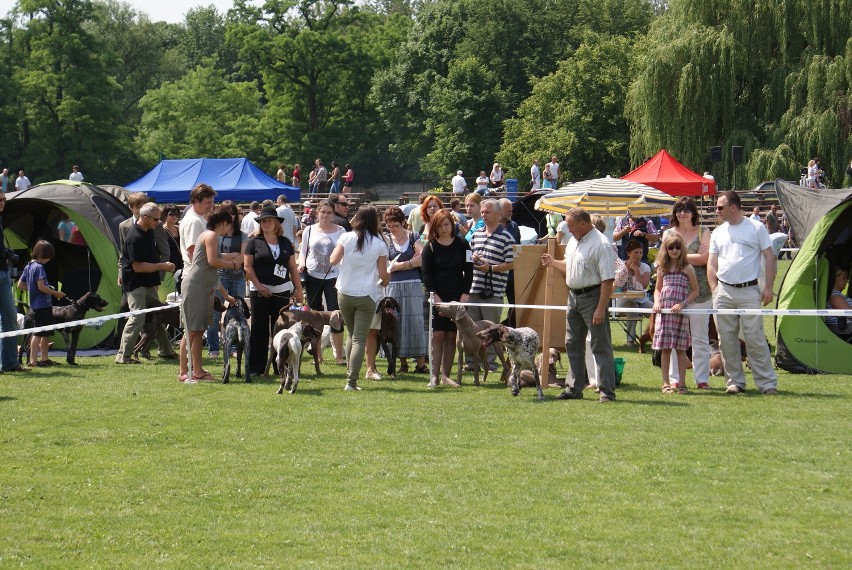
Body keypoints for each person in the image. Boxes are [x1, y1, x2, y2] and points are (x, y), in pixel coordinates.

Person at [541, 208, 617, 403]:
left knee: (600, 345)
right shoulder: (574, 241)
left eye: (571, 225)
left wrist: (601, 308)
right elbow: (570, 266)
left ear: (583, 224)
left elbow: (608, 280)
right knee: (572, 343)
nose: (568, 229)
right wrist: (553, 263)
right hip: (573, 296)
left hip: (593, 297)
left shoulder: (601, 244)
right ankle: (573, 388)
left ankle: (606, 391)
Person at [708, 191, 778, 395]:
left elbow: (770, 258)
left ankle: (767, 384)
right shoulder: (717, 232)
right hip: (724, 292)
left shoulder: (756, 228)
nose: (717, 211)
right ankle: (734, 382)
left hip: (749, 291)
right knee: (727, 341)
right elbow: (711, 263)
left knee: (755, 339)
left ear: (733, 207)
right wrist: (715, 290)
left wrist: (768, 288)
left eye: (720, 207)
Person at [330, 205, 389, 390]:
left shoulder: (346, 237)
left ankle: (350, 376)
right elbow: (383, 274)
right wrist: (386, 280)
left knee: (352, 335)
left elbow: (332, 260)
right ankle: (351, 381)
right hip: (366, 294)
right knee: (359, 338)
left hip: (344, 292)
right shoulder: (379, 243)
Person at [179, 208, 239, 382]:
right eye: (231, 222)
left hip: (204, 288)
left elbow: (212, 273)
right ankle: (183, 372)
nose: (231, 226)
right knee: (190, 331)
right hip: (195, 286)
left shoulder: (213, 236)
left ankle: (197, 371)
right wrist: (234, 264)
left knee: (198, 331)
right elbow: (213, 262)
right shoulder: (211, 235)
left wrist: (226, 297)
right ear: (224, 222)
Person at [244, 206, 303, 376]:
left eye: (269, 220)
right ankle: (257, 367)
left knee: (280, 329)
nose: (266, 223)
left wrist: (299, 290)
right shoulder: (254, 242)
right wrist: (260, 286)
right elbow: (248, 267)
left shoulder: (285, 242)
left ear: (277, 222)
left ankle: (281, 366)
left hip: (282, 291)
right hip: (259, 291)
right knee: (259, 329)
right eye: (263, 221)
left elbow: (292, 266)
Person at [115, 203, 176, 365]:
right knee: (137, 318)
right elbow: (138, 267)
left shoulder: (149, 231)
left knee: (157, 314)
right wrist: (162, 266)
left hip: (149, 282)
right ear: (145, 217)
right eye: (156, 219)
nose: (159, 222)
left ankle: (166, 351)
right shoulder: (134, 237)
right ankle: (123, 355)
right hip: (136, 284)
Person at [663, 197, 713, 390]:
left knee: (700, 337)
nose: (682, 213)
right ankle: (675, 378)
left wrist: (678, 256)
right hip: (674, 294)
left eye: (686, 209)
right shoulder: (668, 232)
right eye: (679, 209)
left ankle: (702, 378)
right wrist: (693, 257)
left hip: (700, 293)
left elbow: (705, 259)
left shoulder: (703, 231)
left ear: (694, 212)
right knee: (675, 338)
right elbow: (664, 259)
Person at [422, 208, 473, 388]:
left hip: (457, 295)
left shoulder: (463, 244)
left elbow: (469, 270)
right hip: (437, 295)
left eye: (447, 224)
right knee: (437, 334)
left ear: (452, 224)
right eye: (440, 225)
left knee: (451, 335)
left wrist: (465, 294)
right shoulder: (430, 247)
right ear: (435, 227)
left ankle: (446, 376)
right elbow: (426, 274)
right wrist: (434, 295)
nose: (444, 228)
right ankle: (434, 376)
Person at [297, 199, 346, 364]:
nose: (325, 215)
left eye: (329, 212)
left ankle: (339, 356)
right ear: (317, 212)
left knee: (335, 315)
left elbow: (345, 255)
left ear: (333, 214)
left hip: (334, 276)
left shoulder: (341, 231)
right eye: (322, 212)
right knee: (314, 316)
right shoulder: (309, 230)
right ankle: (318, 356)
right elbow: (303, 252)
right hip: (312, 276)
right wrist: (301, 263)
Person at [467, 198, 514, 371]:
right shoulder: (476, 234)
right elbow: (467, 257)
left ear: (499, 214)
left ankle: (491, 364)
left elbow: (511, 264)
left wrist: (491, 268)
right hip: (473, 288)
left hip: (493, 291)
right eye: (483, 212)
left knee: (491, 331)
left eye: (488, 212)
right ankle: (472, 363)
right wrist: (473, 260)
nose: (484, 215)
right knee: (472, 328)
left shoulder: (507, 238)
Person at [380, 207, 426, 375]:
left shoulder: (413, 236)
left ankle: (421, 363)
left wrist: (400, 265)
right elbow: (384, 265)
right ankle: (402, 362)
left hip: (413, 284)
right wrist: (410, 262)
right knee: (395, 323)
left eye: (395, 225)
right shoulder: (385, 240)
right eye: (389, 225)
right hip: (392, 287)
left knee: (415, 322)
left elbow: (421, 258)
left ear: (403, 223)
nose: (392, 228)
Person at [653, 233, 699, 394]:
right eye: (670, 247)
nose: (674, 250)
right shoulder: (662, 268)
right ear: (665, 249)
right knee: (665, 349)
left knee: (681, 349)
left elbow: (695, 291)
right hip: (665, 313)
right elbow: (657, 289)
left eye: (677, 247)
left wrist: (683, 304)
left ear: (682, 249)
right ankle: (665, 383)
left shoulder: (687, 268)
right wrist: (657, 303)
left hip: (680, 313)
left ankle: (682, 383)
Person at [205, 201, 247, 359]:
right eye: (227, 211)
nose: (230, 214)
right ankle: (213, 348)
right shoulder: (215, 235)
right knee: (213, 313)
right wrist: (233, 256)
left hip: (238, 277)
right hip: (219, 276)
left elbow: (243, 258)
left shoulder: (242, 235)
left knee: (236, 313)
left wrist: (226, 257)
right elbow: (215, 257)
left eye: (233, 211)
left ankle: (234, 347)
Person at [17, 240, 65, 367]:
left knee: (46, 333)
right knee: (37, 334)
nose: (49, 259)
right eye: (48, 256)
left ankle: (44, 359)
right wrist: (55, 293)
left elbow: (20, 285)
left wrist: (32, 288)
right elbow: (42, 287)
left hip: (37, 306)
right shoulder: (39, 267)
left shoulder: (28, 266)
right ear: (41, 254)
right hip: (42, 306)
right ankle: (33, 361)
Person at [0, 189, 25, 373]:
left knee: (10, 317)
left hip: (3, 273)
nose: (2, 202)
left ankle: (9, 363)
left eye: (3, 200)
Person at [616, 239, 653, 346]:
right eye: (635, 252)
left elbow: (644, 285)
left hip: (641, 300)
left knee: (656, 312)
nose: (638, 255)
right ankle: (630, 340)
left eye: (641, 252)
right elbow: (617, 285)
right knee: (632, 308)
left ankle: (649, 336)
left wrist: (637, 270)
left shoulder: (645, 267)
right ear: (629, 253)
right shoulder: (621, 267)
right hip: (623, 300)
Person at [825, 268, 852, 341]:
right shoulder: (834, 296)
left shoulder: (838, 295)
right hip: (845, 332)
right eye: (844, 278)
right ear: (834, 279)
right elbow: (849, 313)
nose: (846, 281)